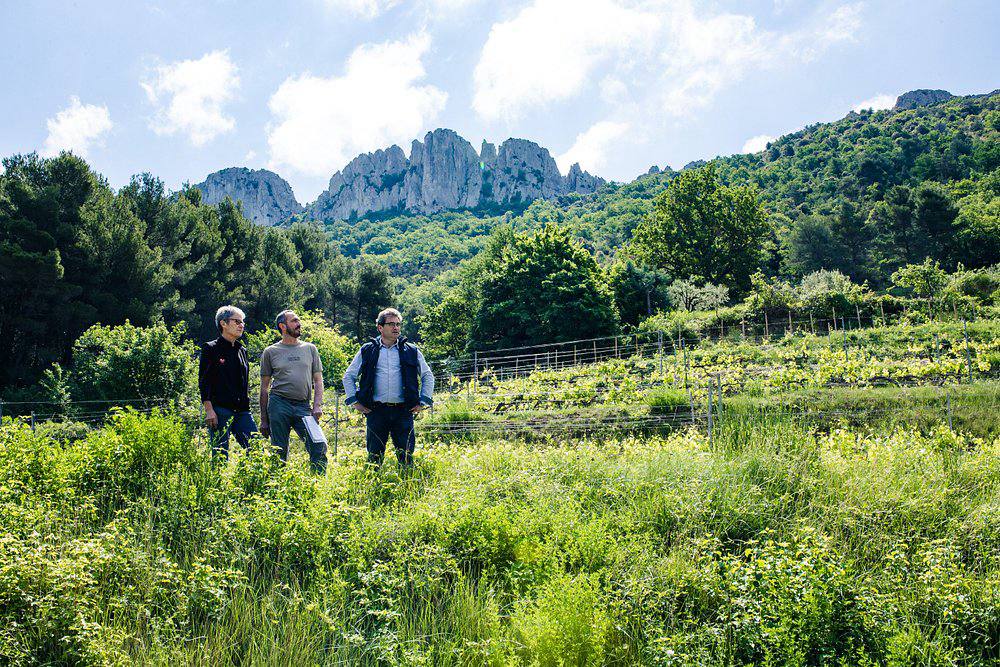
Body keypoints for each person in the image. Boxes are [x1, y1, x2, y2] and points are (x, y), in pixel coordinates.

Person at [342, 308, 434, 466]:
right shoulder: (368, 350)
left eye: (398, 324)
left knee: (406, 457)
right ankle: (372, 487)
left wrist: (423, 401)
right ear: (380, 327)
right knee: (374, 458)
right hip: (376, 411)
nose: (396, 327)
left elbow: (427, 375)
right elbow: (348, 376)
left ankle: (407, 486)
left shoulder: (411, 350)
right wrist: (354, 402)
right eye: (391, 324)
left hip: (404, 411)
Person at [259, 309, 327, 473]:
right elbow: (264, 388)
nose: (299, 324)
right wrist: (264, 419)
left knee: (318, 445)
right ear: (282, 326)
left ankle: (317, 485)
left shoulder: (310, 349)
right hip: (279, 404)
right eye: (294, 321)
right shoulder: (270, 352)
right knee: (278, 451)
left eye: (298, 320)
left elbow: (318, 381)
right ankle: (277, 488)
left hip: (304, 406)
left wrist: (317, 405)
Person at [199, 305, 257, 458]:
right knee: (220, 456)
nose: (241, 325)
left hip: (242, 410)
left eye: (243, 322)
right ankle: (217, 482)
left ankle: (249, 481)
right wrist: (209, 410)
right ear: (223, 323)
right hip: (220, 410)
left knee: (256, 450)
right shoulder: (210, 348)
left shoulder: (242, 350)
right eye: (237, 321)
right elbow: (204, 382)